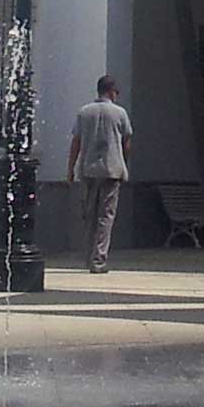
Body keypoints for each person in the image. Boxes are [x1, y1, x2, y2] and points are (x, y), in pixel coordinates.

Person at [65, 74, 133, 275]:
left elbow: (76, 143)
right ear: (111, 91)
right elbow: (127, 142)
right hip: (111, 170)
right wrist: (124, 163)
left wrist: (70, 169)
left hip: (88, 170)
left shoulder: (84, 112)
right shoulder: (120, 113)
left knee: (89, 215)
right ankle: (99, 259)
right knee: (106, 216)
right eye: (116, 91)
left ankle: (88, 257)